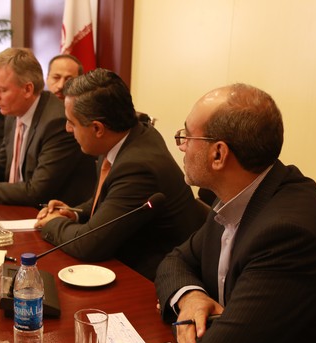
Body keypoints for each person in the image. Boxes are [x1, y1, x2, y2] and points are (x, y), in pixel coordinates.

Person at [155, 83, 316, 343]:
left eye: (187, 136)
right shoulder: (236, 196)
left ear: (218, 154)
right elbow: (175, 261)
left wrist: (186, 322)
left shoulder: (289, 234)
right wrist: (191, 297)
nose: (181, 145)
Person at [35, 69, 207, 281]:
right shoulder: (129, 135)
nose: (67, 129)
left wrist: (52, 223)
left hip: (152, 278)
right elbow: (112, 199)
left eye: (72, 122)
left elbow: (89, 245)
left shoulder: (138, 167)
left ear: (97, 128)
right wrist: (74, 213)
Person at [0, 47, 96, 206]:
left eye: (2, 89)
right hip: (15, 205)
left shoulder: (57, 123)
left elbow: (35, 191)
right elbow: (1, 163)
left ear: (27, 89)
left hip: (46, 212)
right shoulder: (14, 110)